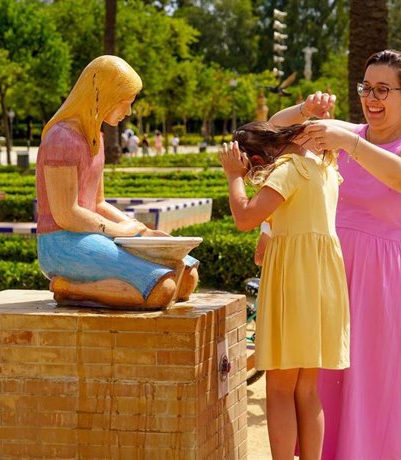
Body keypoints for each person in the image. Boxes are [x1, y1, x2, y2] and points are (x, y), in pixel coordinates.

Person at [270, 49, 401, 459]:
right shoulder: (345, 134)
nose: (371, 98)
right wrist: (303, 109)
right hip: (330, 277)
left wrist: (350, 142)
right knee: (327, 377)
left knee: (382, 380)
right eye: (366, 88)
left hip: (386, 282)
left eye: (384, 89)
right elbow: (273, 131)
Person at [219, 122, 350, 460]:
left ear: (259, 159)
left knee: (278, 389)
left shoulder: (287, 169)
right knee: (306, 390)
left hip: (296, 282)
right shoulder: (322, 167)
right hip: (322, 283)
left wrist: (234, 176)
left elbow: (245, 217)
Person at [36, 55, 198, 309]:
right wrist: (119, 231)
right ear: (105, 96)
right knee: (161, 290)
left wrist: (137, 230)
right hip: (61, 242)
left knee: (187, 277)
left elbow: (97, 203)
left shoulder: (95, 139)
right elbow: (66, 215)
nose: (129, 111)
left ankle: (88, 288)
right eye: (126, 102)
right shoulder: (61, 139)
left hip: (90, 234)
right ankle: (68, 288)